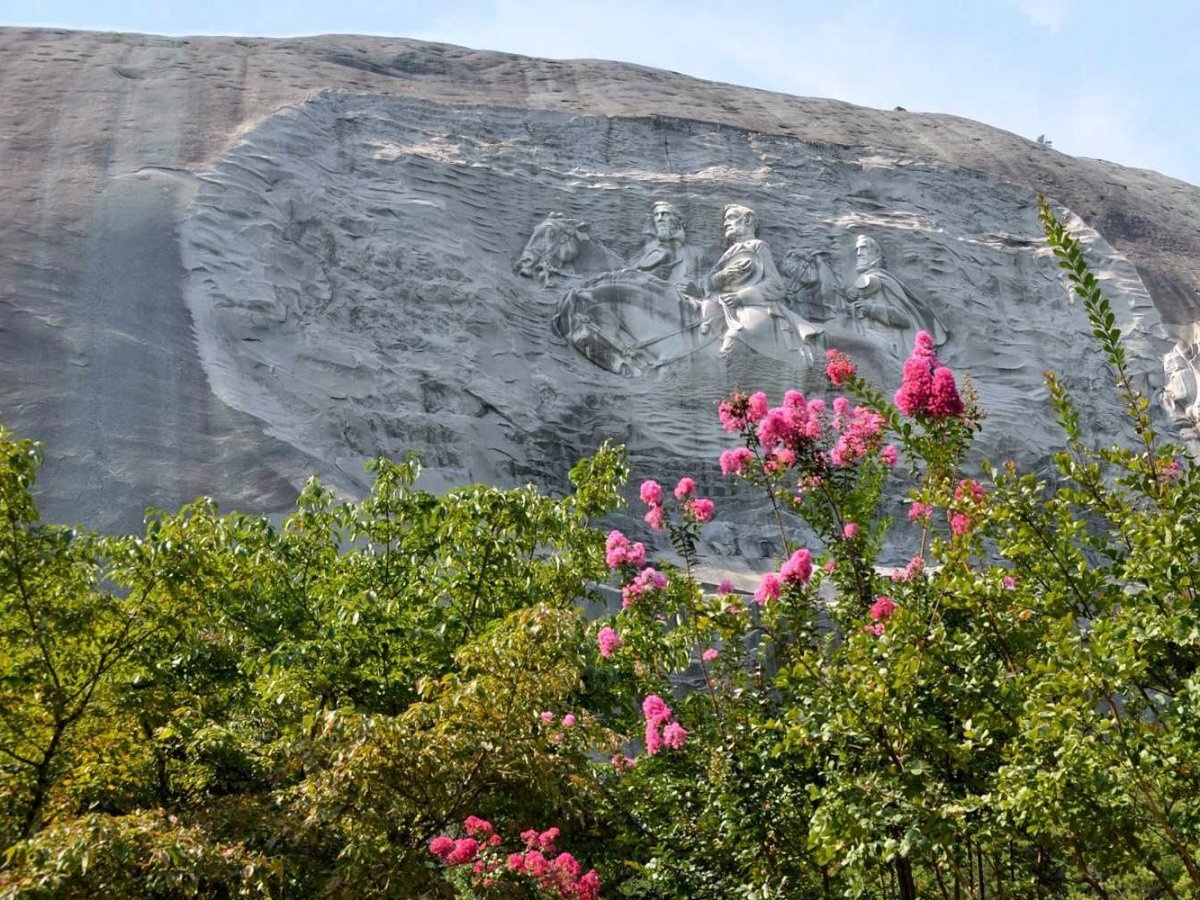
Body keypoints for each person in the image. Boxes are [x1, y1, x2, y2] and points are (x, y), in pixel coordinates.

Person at [695, 204, 820, 358]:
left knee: (734, 339)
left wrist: (741, 297)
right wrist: (723, 276)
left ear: (747, 220)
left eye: (731, 217)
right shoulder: (728, 253)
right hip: (722, 306)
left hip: (755, 307)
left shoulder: (758, 246)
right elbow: (711, 284)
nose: (725, 223)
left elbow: (776, 286)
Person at [849, 234, 947, 355]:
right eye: (857, 249)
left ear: (875, 254)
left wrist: (871, 309)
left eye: (864, 248)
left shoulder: (882, 280)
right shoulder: (860, 284)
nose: (859, 253)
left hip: (886, 342)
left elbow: (903, 318)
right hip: (864, 333)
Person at [624, 201, 705, 285]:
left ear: (677, 220)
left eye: (665, 214)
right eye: (656, 215)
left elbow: (703, 284)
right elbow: (627, 279)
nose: (659, 219)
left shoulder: (695, 253)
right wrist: (653, 275)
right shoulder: (644, 252)